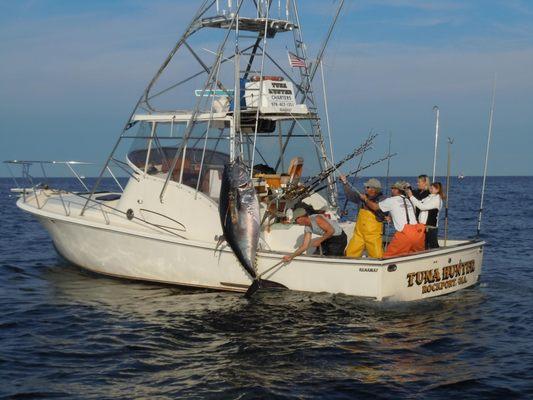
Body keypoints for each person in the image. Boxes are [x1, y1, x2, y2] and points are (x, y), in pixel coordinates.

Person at [364, 181, 425, 258]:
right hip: (418, 233)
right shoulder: (408, 200)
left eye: (393, 188)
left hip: (405, 234)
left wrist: (366, 199)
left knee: (387, 258)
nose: (391, 190)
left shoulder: (391, 200)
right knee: (416, 258)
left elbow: (375, 207)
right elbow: (406, 215)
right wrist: (392, 218)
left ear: (397, 190)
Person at [339, 175, 386, 258]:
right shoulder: (362, 197)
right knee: (349, 253)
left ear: (373, 189)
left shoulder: (382, 199)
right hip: (359, 234)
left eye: (367, 187)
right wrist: (345, 183)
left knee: (377, 256)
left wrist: (366, 200)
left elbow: (377, 209)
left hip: (373, 235)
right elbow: (350, 195)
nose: (365, 188)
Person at [282, 208, 347, 262]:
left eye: (296, 220)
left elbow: (331, 231)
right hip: (328, 238)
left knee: (331, 259)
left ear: (301, 217)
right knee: (316, 255)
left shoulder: (316, 218)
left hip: (339, 239)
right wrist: (291, 256)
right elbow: (304, 246)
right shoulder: (307, 228)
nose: (296, 222)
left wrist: (319, 241)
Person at [406, 182, 445, 249]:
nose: (430, 189)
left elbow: (422, 207)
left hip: (430, 227)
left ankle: (438, 258)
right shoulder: (429, 197)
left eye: (432, 188)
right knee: (425, 246)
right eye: (430, 188)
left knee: (433, 246)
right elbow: (419, 202)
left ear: (437, 190)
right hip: (423, 226)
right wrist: (410, 193)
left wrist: (411, 197)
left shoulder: (437, 199)